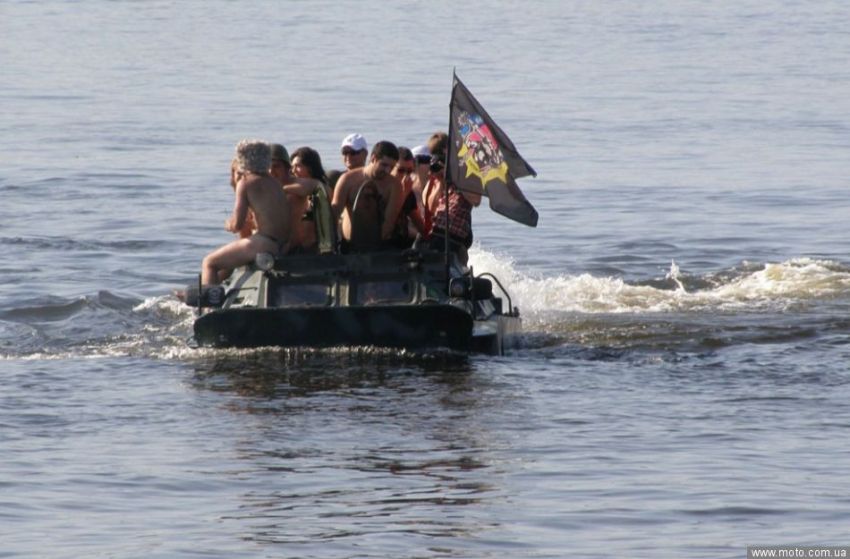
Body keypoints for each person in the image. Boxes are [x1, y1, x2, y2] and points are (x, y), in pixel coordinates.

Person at [201, 140, 291, 285]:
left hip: (264, 243)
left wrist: (228, 224)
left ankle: (208, 299)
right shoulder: (274, 182)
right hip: (282, 244)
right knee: (227, 261)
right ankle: (217, 287)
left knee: (209, 262)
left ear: (242, 161)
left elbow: (237, 225)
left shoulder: (246, 183)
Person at [331, 140, 404, 252]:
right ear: (373, 158)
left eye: (391, 167)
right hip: (349, 246)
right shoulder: (347, 180)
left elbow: (389, 222)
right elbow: (334, 214)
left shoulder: (394, 185)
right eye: (384, 165)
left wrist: (372, 246)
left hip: (380, 246)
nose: (387, 170)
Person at [421, 132, 481, 264]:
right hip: (435, 230)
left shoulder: (466, 170)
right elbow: (429, 207)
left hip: (454, 231)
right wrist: (439, 180)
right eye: (436, 155)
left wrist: (454, 176)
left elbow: (476, 200)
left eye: (443, 155)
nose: (442, 160)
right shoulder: (435, 176)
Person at [286, 146, 332, 253]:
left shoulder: (321, 188)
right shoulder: (294, 192)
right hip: (296, 249)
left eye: (298, 166)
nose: (293, 171)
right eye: (292, 167)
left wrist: (278, 188)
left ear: (310, 167)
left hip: (316, 250)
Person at [389, 146, 426, 248]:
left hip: (403, 246)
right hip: (382, 246)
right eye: (400, 171)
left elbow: (421, 226)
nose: (405, 176)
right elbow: (387, 225)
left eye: (409, 172)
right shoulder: (380, 190)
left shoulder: (408, 193)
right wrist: (403, 195)